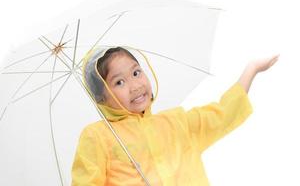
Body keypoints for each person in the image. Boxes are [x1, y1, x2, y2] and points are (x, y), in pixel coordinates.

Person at [71, 46, 279, 185]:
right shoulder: (97, 136)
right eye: (119, 82)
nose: (135, 86)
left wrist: (252, 68)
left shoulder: (176, 122)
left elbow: (223, 112)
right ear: (100, 97)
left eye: (136, 73)